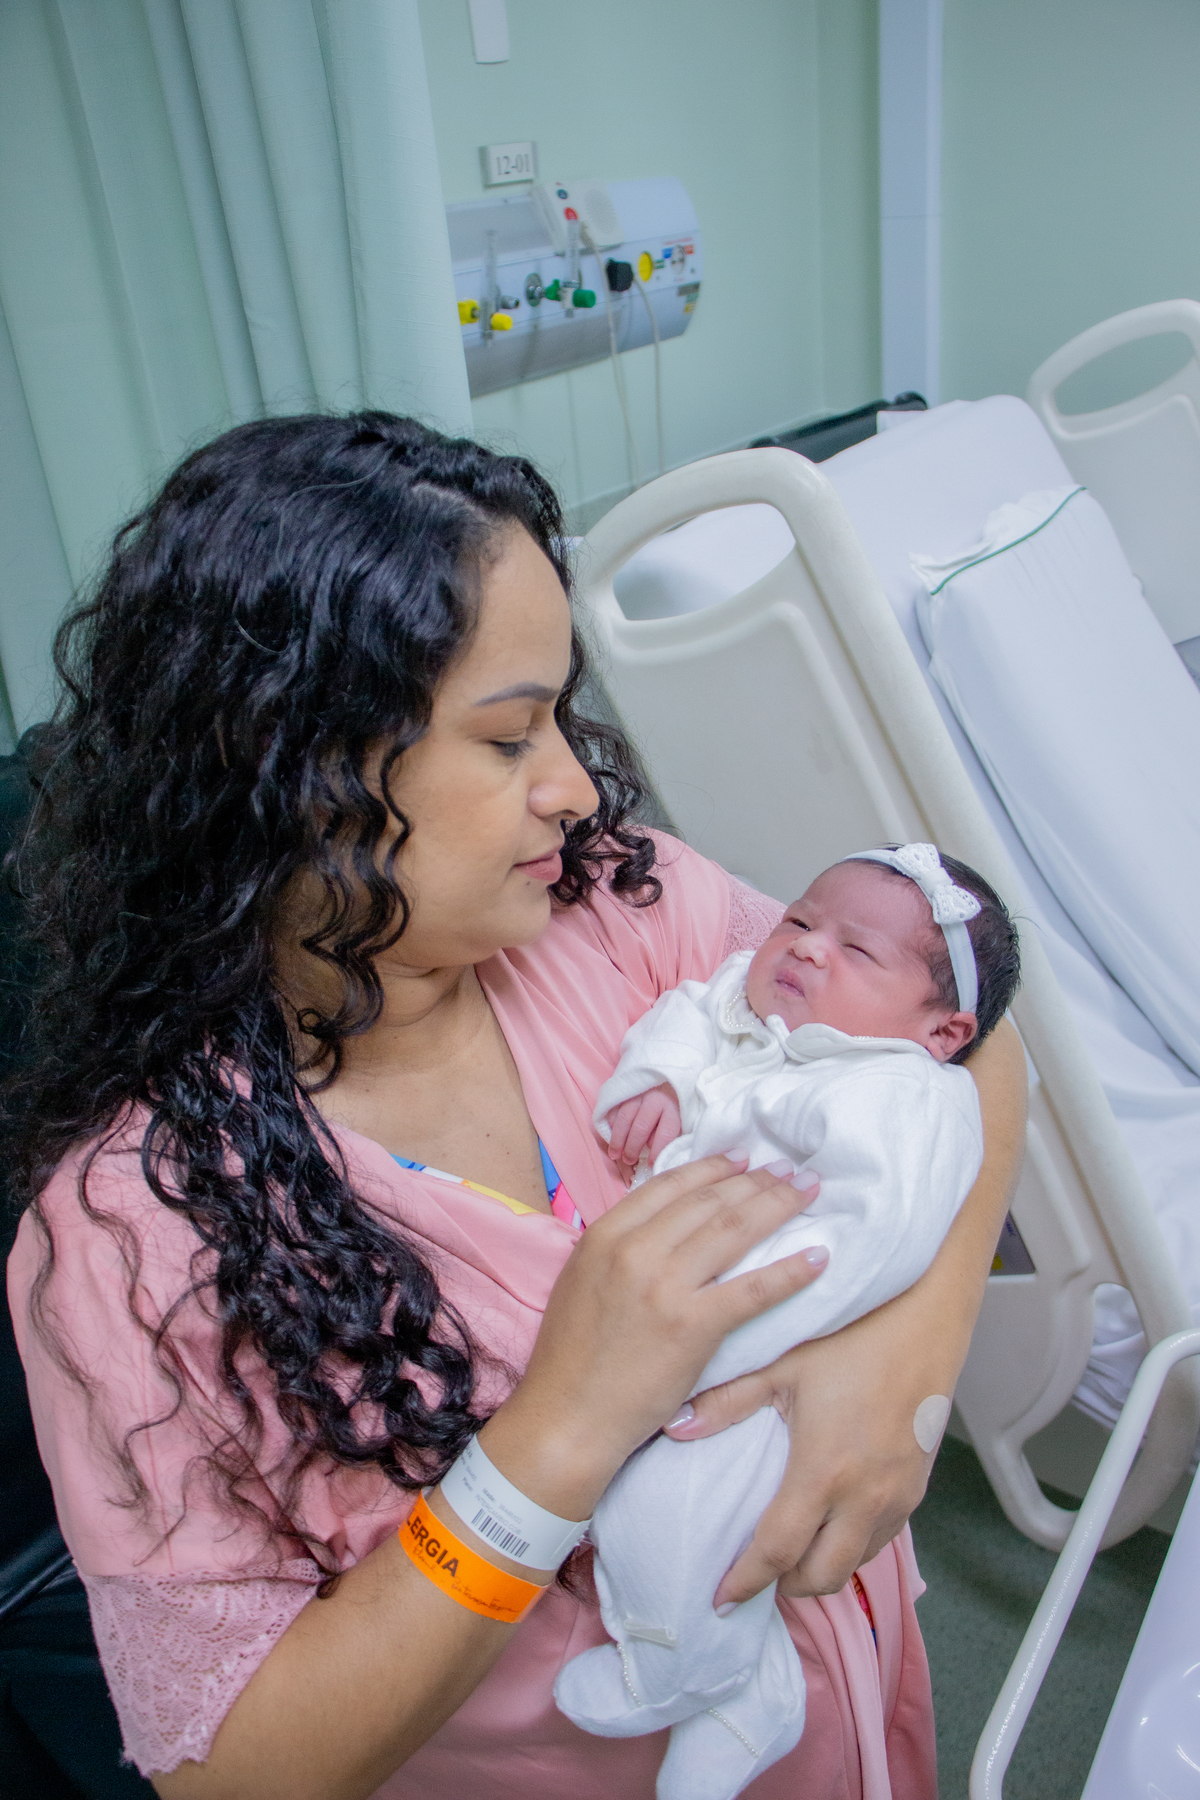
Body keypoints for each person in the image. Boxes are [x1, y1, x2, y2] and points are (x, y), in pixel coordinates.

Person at [5, 414, 1027, 1800]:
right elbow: (230, 1771)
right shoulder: (138, 1233)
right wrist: (557, 1436)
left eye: (557, 714)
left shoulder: (620, 909)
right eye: (505, 737)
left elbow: (964, 1044)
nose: (571, 786)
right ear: (292, 766)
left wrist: (903, 1360)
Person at [555, 846, 1020, 1800]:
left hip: (762, 1364)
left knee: (665, 1519)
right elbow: (689, 1012)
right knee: (643, 1519)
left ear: (942, 1031)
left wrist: (714, 1350)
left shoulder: (899, 1094)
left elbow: (859, 1248)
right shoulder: (749, 1005)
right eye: (801, 921)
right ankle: (749, 1687)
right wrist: (663, 1080)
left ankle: (682, 1672)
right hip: (684, 1322)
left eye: (858, 951)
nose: (806, 948)